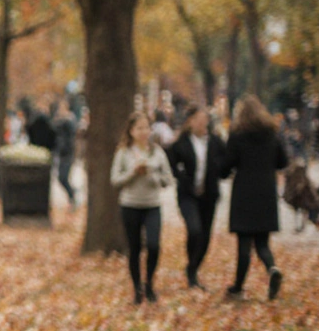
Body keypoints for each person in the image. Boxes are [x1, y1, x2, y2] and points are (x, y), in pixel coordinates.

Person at [222, 94, 289, 301]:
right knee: (262, 242)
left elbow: (226, 166)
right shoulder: (271, 134)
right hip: (266, 191)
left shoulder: (237, 135)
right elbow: (282, 161)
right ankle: (272, 268)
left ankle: (238, 287)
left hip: (244, 192)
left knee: (244, 243)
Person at [111, 111, 174, 304]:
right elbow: (115, 180)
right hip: (130, 205)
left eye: (146, 127)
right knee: (135, 248)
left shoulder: (157, 152)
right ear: (131, 131)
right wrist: (133, 172)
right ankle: (137, 288)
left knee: (154, 246)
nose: (143, 131)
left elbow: (168, 180)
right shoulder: (123, 152)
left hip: (152, 205)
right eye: (139, 128)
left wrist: (151, 174)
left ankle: (150, 284)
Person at [167, 105, 227, 290]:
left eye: (205, 119)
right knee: (194, 230)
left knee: (206, 236)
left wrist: (217, 169)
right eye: (198, 119)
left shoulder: (216, 142)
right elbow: (171, 163)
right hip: (188, 195)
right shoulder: (181, 142)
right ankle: (191, 270)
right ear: (190, 121)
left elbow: (225, 164)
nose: (202, 123)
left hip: (209, 195)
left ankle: (192, 269)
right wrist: (182, 176)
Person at [52, 100, 78, 209]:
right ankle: (72, 195)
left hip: (68, 152)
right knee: (60, 177)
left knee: (63, 177)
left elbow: (71, 131)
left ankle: (73, 196)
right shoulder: (59, 120)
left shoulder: (69, 119)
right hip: (61, 152)